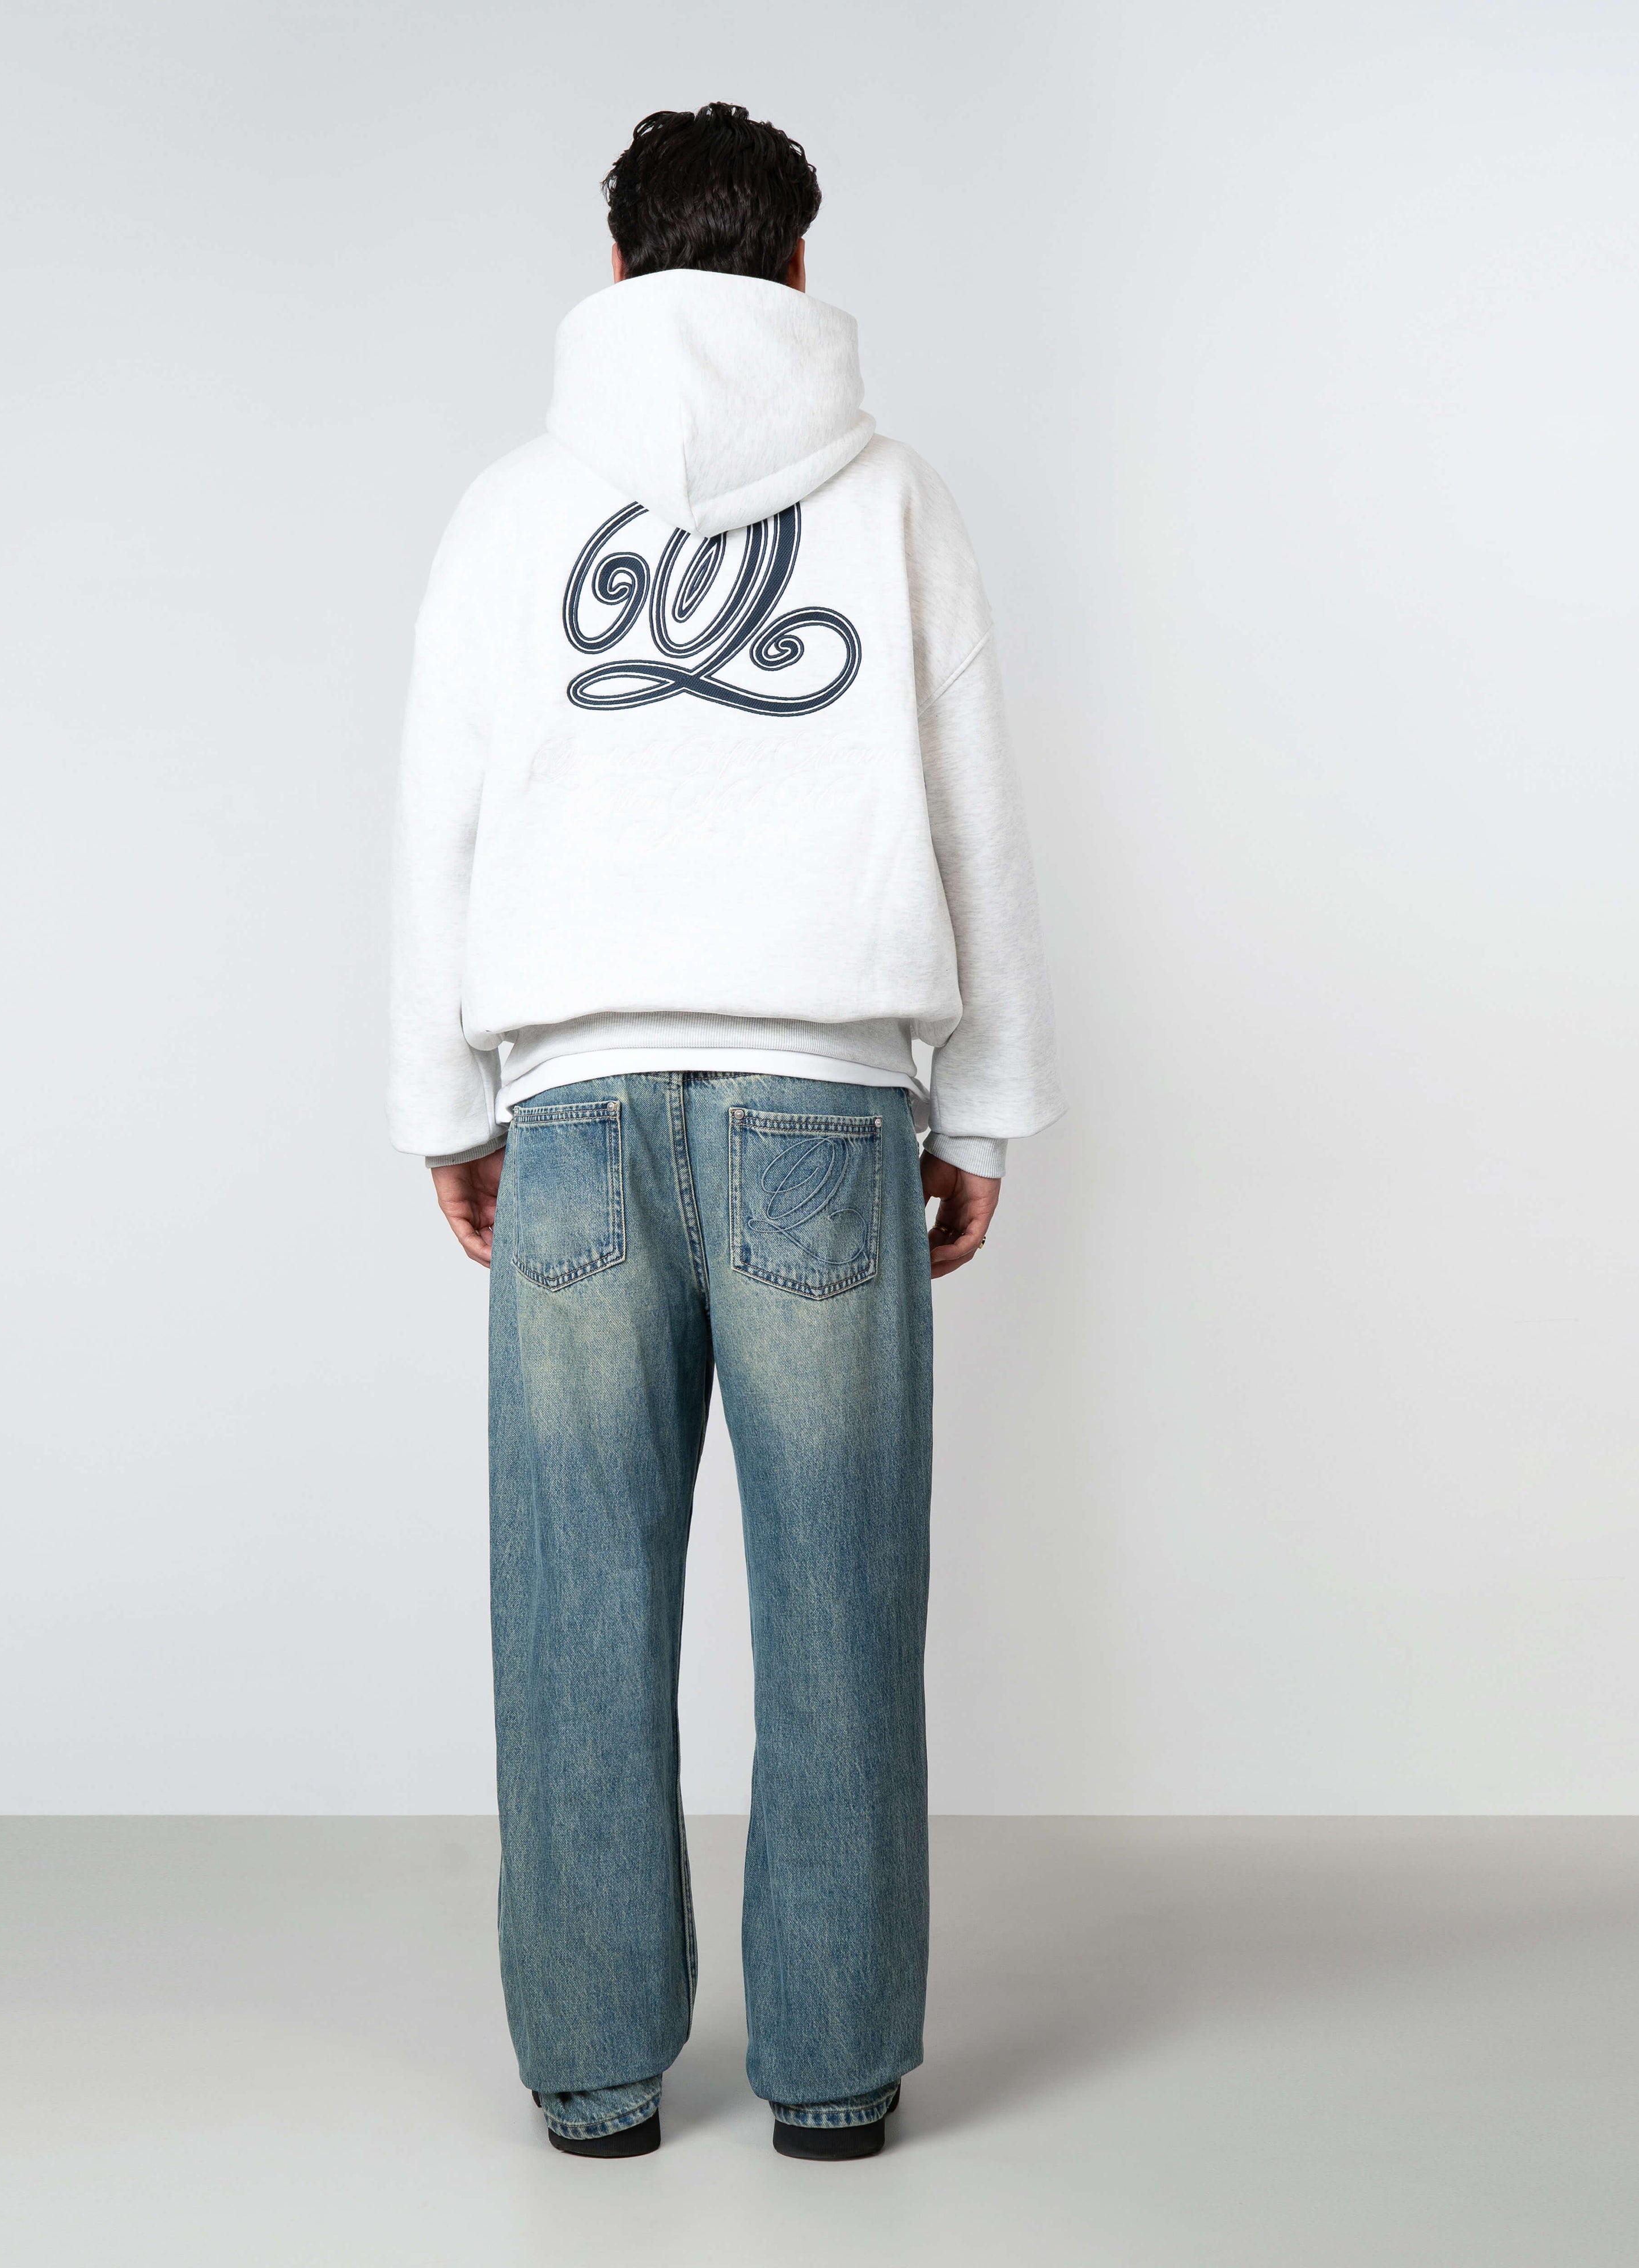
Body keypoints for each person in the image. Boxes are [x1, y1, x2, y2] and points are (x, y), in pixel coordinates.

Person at [386, 102, 1061, 2161]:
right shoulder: (896, 499)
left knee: (575, 1605)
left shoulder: (510, 508)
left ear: (614, 268)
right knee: (843, 1601)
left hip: (575, 1109)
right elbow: (973, 811)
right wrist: (984, 1106)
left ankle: (594, 2077)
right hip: (825, 1110)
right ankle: (835, 2076)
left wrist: (446, 1102)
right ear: (797, 266)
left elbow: (439, 818)